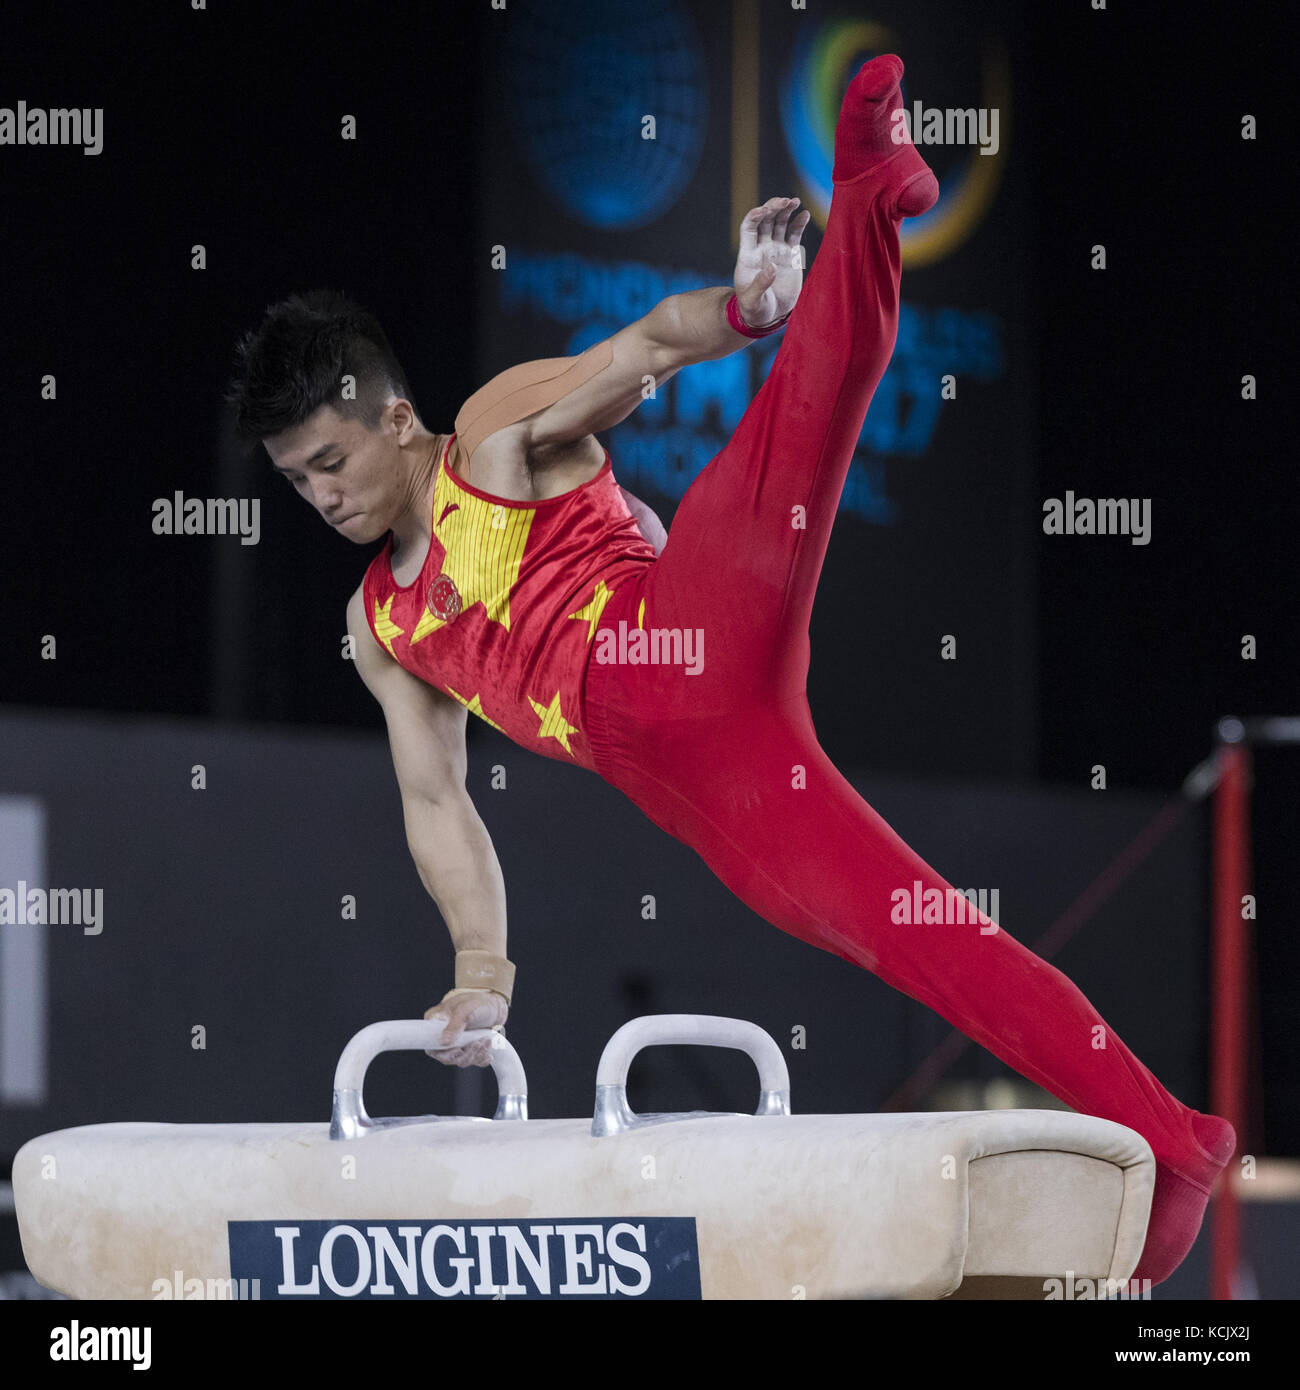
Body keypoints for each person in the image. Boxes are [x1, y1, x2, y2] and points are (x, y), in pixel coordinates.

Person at [227, 56, 1232, 1285]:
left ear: (389, 417)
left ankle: (865, 191)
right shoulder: (379, 627)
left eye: (331, 459)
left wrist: (747, 310)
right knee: (933, 936)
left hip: (682, 633)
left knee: (803, 410)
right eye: (297, 480)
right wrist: (480, 975)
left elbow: (640, 345)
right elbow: (439, 804)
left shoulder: (486, 439)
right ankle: (1175, 1142)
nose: (322, 495)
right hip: (715, 792)